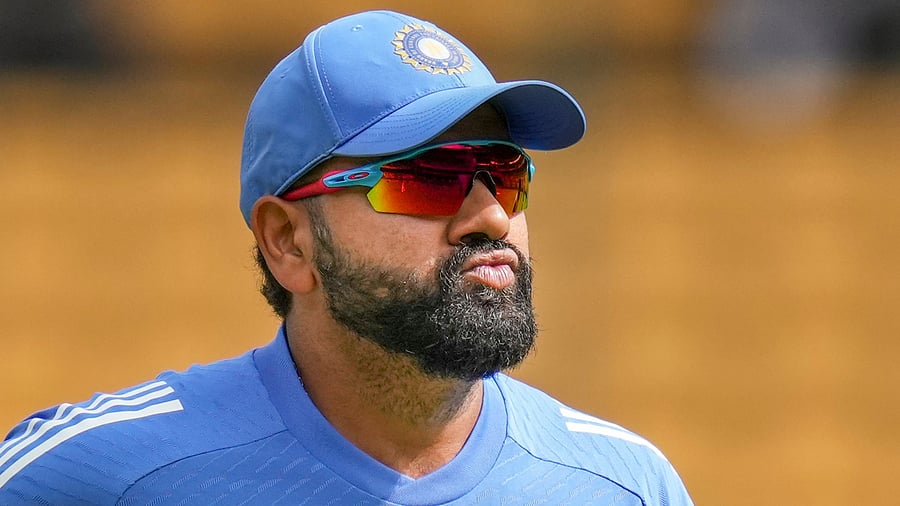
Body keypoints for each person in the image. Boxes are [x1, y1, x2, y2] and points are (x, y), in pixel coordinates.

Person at [0, 10, 693, 505]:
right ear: (287, 241)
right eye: (428, 177)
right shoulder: (98, 475)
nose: (490, 218)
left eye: (505, 174)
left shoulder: (625, 485)